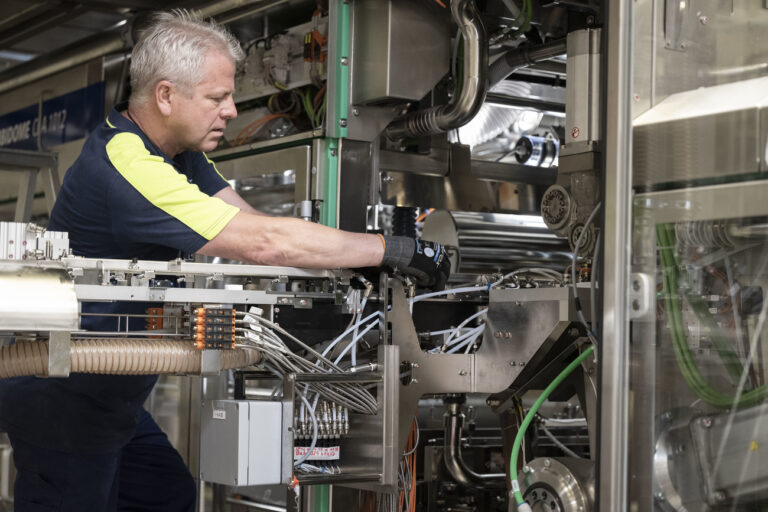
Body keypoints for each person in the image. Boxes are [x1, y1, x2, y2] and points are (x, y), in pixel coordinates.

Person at [0, 9, 449, 512]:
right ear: (166, 95)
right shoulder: (127, 164)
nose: (232, 110)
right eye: (217, 98)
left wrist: (346, 262)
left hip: (112, 400)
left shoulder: (179, 153)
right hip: (63, 400)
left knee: (167, 494)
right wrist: (390, 248)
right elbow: (261, 243)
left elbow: (250, 223)